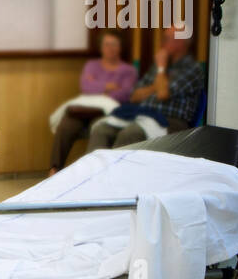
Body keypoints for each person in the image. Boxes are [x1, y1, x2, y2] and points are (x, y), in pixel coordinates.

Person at [85, 25, 205, 151]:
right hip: (143, 114)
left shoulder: (191, 68)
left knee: (129, 133)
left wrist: (161, 68)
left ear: (181, 43)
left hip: (170, 122)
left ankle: (116, 170)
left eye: (167, 39)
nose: (163, 43)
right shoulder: (157, 66)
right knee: (100, 128)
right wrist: (156, 85)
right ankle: (95, 169)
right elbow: (135, 96)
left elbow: (162, 94)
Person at [49, 29, 138, 173]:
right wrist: (108, 86)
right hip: (84, 110)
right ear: (101, 47)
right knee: (66, 125)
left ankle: (92, 173)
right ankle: (54, 169)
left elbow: (124, 94)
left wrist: (98, 86)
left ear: (120, 47)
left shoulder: (128, 70)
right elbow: (86, 87)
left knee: (98, 128)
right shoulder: (92, 65)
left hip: (109, 112)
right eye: (107, 44)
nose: (110, 48)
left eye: (114, 44)